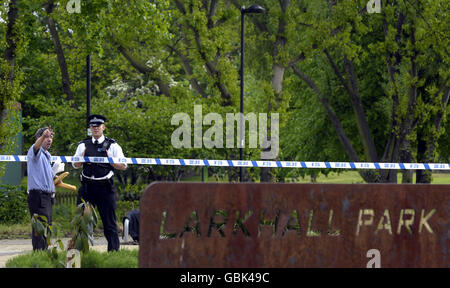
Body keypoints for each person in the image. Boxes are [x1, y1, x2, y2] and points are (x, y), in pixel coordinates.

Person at [72, 114, 127, 251]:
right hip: (87, 187)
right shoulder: (83, 144)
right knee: (81, 223)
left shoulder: (113, 145)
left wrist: (111, 161)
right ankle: (79, 253)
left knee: (109, 224)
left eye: (98, 126)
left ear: (103, 127)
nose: (95, 129)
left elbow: (124, 166)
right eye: (93, 126)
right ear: (90, 128)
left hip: (104, 188)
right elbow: (75, 164)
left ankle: (114, 254)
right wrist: (82, 158)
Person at [27, 126, 56, 250]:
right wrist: (43, 136)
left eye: (51, 137)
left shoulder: (47, 155)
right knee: (40, 228)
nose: (49, 139)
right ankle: (39, 254)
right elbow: (36, 147)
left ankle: (43, 253)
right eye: (46, 137)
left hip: (47, 196)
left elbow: (47, 175)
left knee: (46, 227)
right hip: (38, 196)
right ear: (39, 138)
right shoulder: (35, 151)